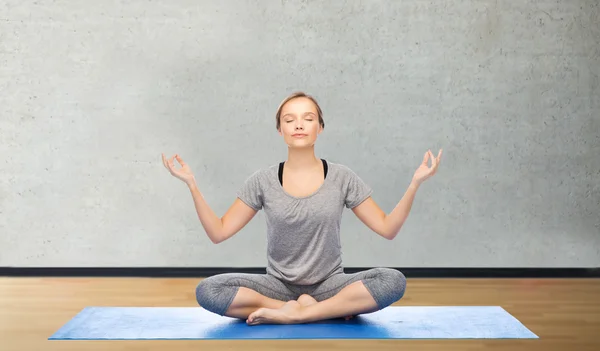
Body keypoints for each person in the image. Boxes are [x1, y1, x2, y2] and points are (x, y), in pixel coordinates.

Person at [162, 91, 442, 326]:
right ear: (280, 129)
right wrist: (192, 184)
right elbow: (219, 232)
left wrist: (415, 183)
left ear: (319, 127)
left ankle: (301, 314)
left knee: (392, 281)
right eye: (289, 119)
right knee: (208, 290)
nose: (299, 125)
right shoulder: (262, 181)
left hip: (330, 285)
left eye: (308, 119)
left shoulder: (342, 177)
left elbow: (387, 228)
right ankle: (306, 309)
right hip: (277, 288)